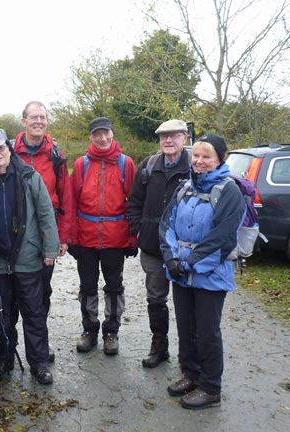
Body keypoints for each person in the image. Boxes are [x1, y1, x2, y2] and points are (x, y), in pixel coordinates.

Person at [159, 134, 244, 410]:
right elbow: (167, 225)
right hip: (181, 273)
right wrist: (171, 258)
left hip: (210, 275)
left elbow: (223, 238)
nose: (199, 161)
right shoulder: (184, 187)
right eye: (196, 155)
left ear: (220, 159)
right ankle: (191, 374)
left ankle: (210, 387)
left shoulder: (229, 191)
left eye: (206, 156)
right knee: (186, 328)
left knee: (207, 332)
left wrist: (189, 263)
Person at [0, 128, 60, 385]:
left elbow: (46, 213)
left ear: (9, 149)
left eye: (0, 148)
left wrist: (50, 250)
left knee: (34, 313)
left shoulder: (29, 176)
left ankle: (39, 363)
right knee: (1, 316)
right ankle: (3, 360)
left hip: (28, 258)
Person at [12, 101, 76, 363]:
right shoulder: (9, 151)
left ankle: (39, 347)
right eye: (33, 117)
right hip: (14, 237)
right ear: (23, 120)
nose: (38, 121)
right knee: (12, 296)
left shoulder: (55, 154)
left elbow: (67, 197)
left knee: (41, 294)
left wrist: (63, 237)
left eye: (43, 117)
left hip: (44, 238)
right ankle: (8, 348)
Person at [126, 119, 191, 368]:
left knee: (187, 304)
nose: (168, 140)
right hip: (153, 248)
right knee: (156, 300)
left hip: (185, 251)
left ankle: (188, 355)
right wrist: (139, 231)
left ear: (184, 137)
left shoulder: (194, 166)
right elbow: (133, 202)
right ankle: (159, 347)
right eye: (164, 136)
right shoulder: (149, 166)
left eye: (174, 135)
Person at [70, 117, 137, 356]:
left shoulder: (125, 163)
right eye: (97, 134)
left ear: (112, 134)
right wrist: (71, 238)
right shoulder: (81, 164)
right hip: (86, 238)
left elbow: (134, 202)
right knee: (87, 287)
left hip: (115, 239)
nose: (102, 138)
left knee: (114, 287)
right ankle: (89, 330)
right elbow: (71, 202)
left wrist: (132, 238)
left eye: (105, 133)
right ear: (91, 137)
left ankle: (111, 332)